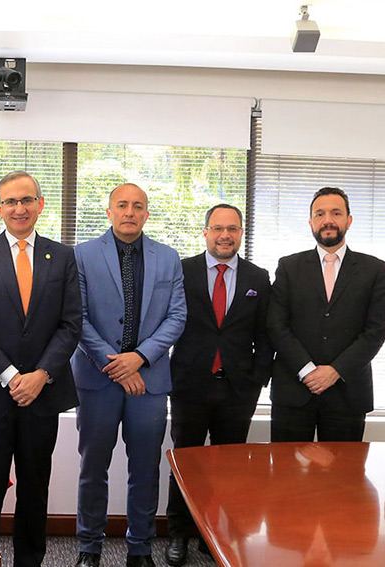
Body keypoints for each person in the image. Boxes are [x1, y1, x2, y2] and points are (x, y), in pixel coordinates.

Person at [0, 171, 81, 567]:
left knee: (34, 491)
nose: (19, 208)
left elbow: (70, 324)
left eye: (27, 200)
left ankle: (30, 561)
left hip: (42, 397)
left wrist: (41, 375)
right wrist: (12, 377)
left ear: (40, 204)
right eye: (10, 201)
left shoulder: (62, 256)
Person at [72, 183, 186, 567]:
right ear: (109, 211)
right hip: (97, 380)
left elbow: (177, 317)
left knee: (145, 470)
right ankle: (89, 548)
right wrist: (117, 366)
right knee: (93, 468)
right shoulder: (82, 255)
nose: (129, 212)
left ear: (147, 214)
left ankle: (140, 549)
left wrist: (138, 358)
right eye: (122, 205)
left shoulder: (168, 258)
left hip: (148, 382)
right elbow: (77, 317)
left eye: (138, 206)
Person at [164, 203, 273, 566]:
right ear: (206, 233)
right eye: (218, 228)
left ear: (241, 233)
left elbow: (266, 335)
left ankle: (215, 537)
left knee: (229, 469)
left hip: (237, 389)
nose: (225, 235)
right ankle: (179, 533)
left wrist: (257, 380)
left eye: (232, 229)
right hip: (190, 385)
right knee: (186, 463)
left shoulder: (259, 277)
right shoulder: (182, 271)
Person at [268, 186, 385, 442]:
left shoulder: (374, 269)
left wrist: (335, 371)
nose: (328, 220)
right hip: (293, 390)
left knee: (344, 468)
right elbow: (276, 325)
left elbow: (375, 332)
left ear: (349, 220)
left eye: (336, 213)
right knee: (286, 467)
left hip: (348, 393)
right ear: (310, 222)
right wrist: (307, 370)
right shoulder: (288, 266)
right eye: (320, 214)